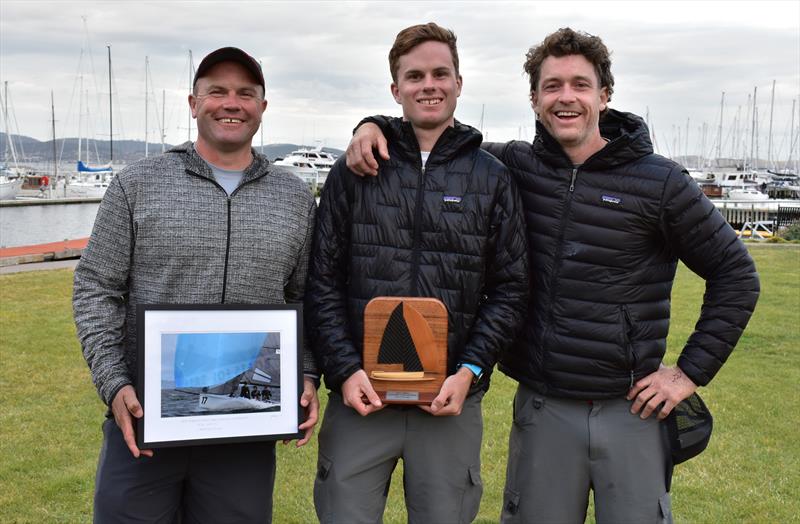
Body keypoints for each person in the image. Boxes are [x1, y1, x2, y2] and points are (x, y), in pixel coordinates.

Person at [346, 27, 760, 524]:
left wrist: (687, 373)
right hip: (542, 408)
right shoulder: (512, 166)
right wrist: (371, 126)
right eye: (552, 86)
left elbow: (736, 274)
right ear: (535, 99)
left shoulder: (661, 181)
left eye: (580, 85)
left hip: (629, 409)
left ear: (604, 96)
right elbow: (437, 135)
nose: (567, 98)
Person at [73, 47, 320, 524]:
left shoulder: (293, 196)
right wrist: (114, 383)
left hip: (245, 424)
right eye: (217, 91)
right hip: (145, 420)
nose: (232, 103)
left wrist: (305, 373)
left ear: (262, 109)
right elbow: (96, 288)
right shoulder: (138, 183)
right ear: (193, 103)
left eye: (246, 93)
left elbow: (305, 296)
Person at [305, 22, 528, 524]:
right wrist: (342, 370)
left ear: (458, 82)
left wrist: (470, 371)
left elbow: (510, 289)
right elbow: (321, 280)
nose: (429, 85)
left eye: (440, 73)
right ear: (395, 89)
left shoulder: (491, 177)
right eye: (415, 75)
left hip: (449, 401)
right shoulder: (355, 168)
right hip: (361, 397)